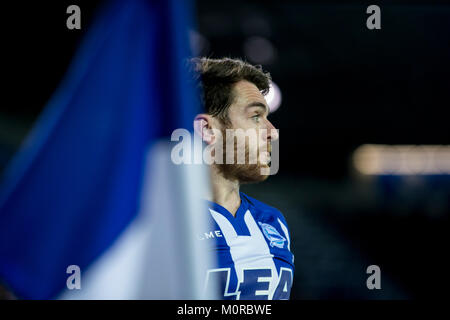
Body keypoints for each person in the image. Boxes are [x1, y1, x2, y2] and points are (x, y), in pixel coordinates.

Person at [191, 57, 294, 300]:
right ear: (207, 130)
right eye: (256, 116)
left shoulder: (273, 221)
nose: (272, 132)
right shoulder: (165, 222)